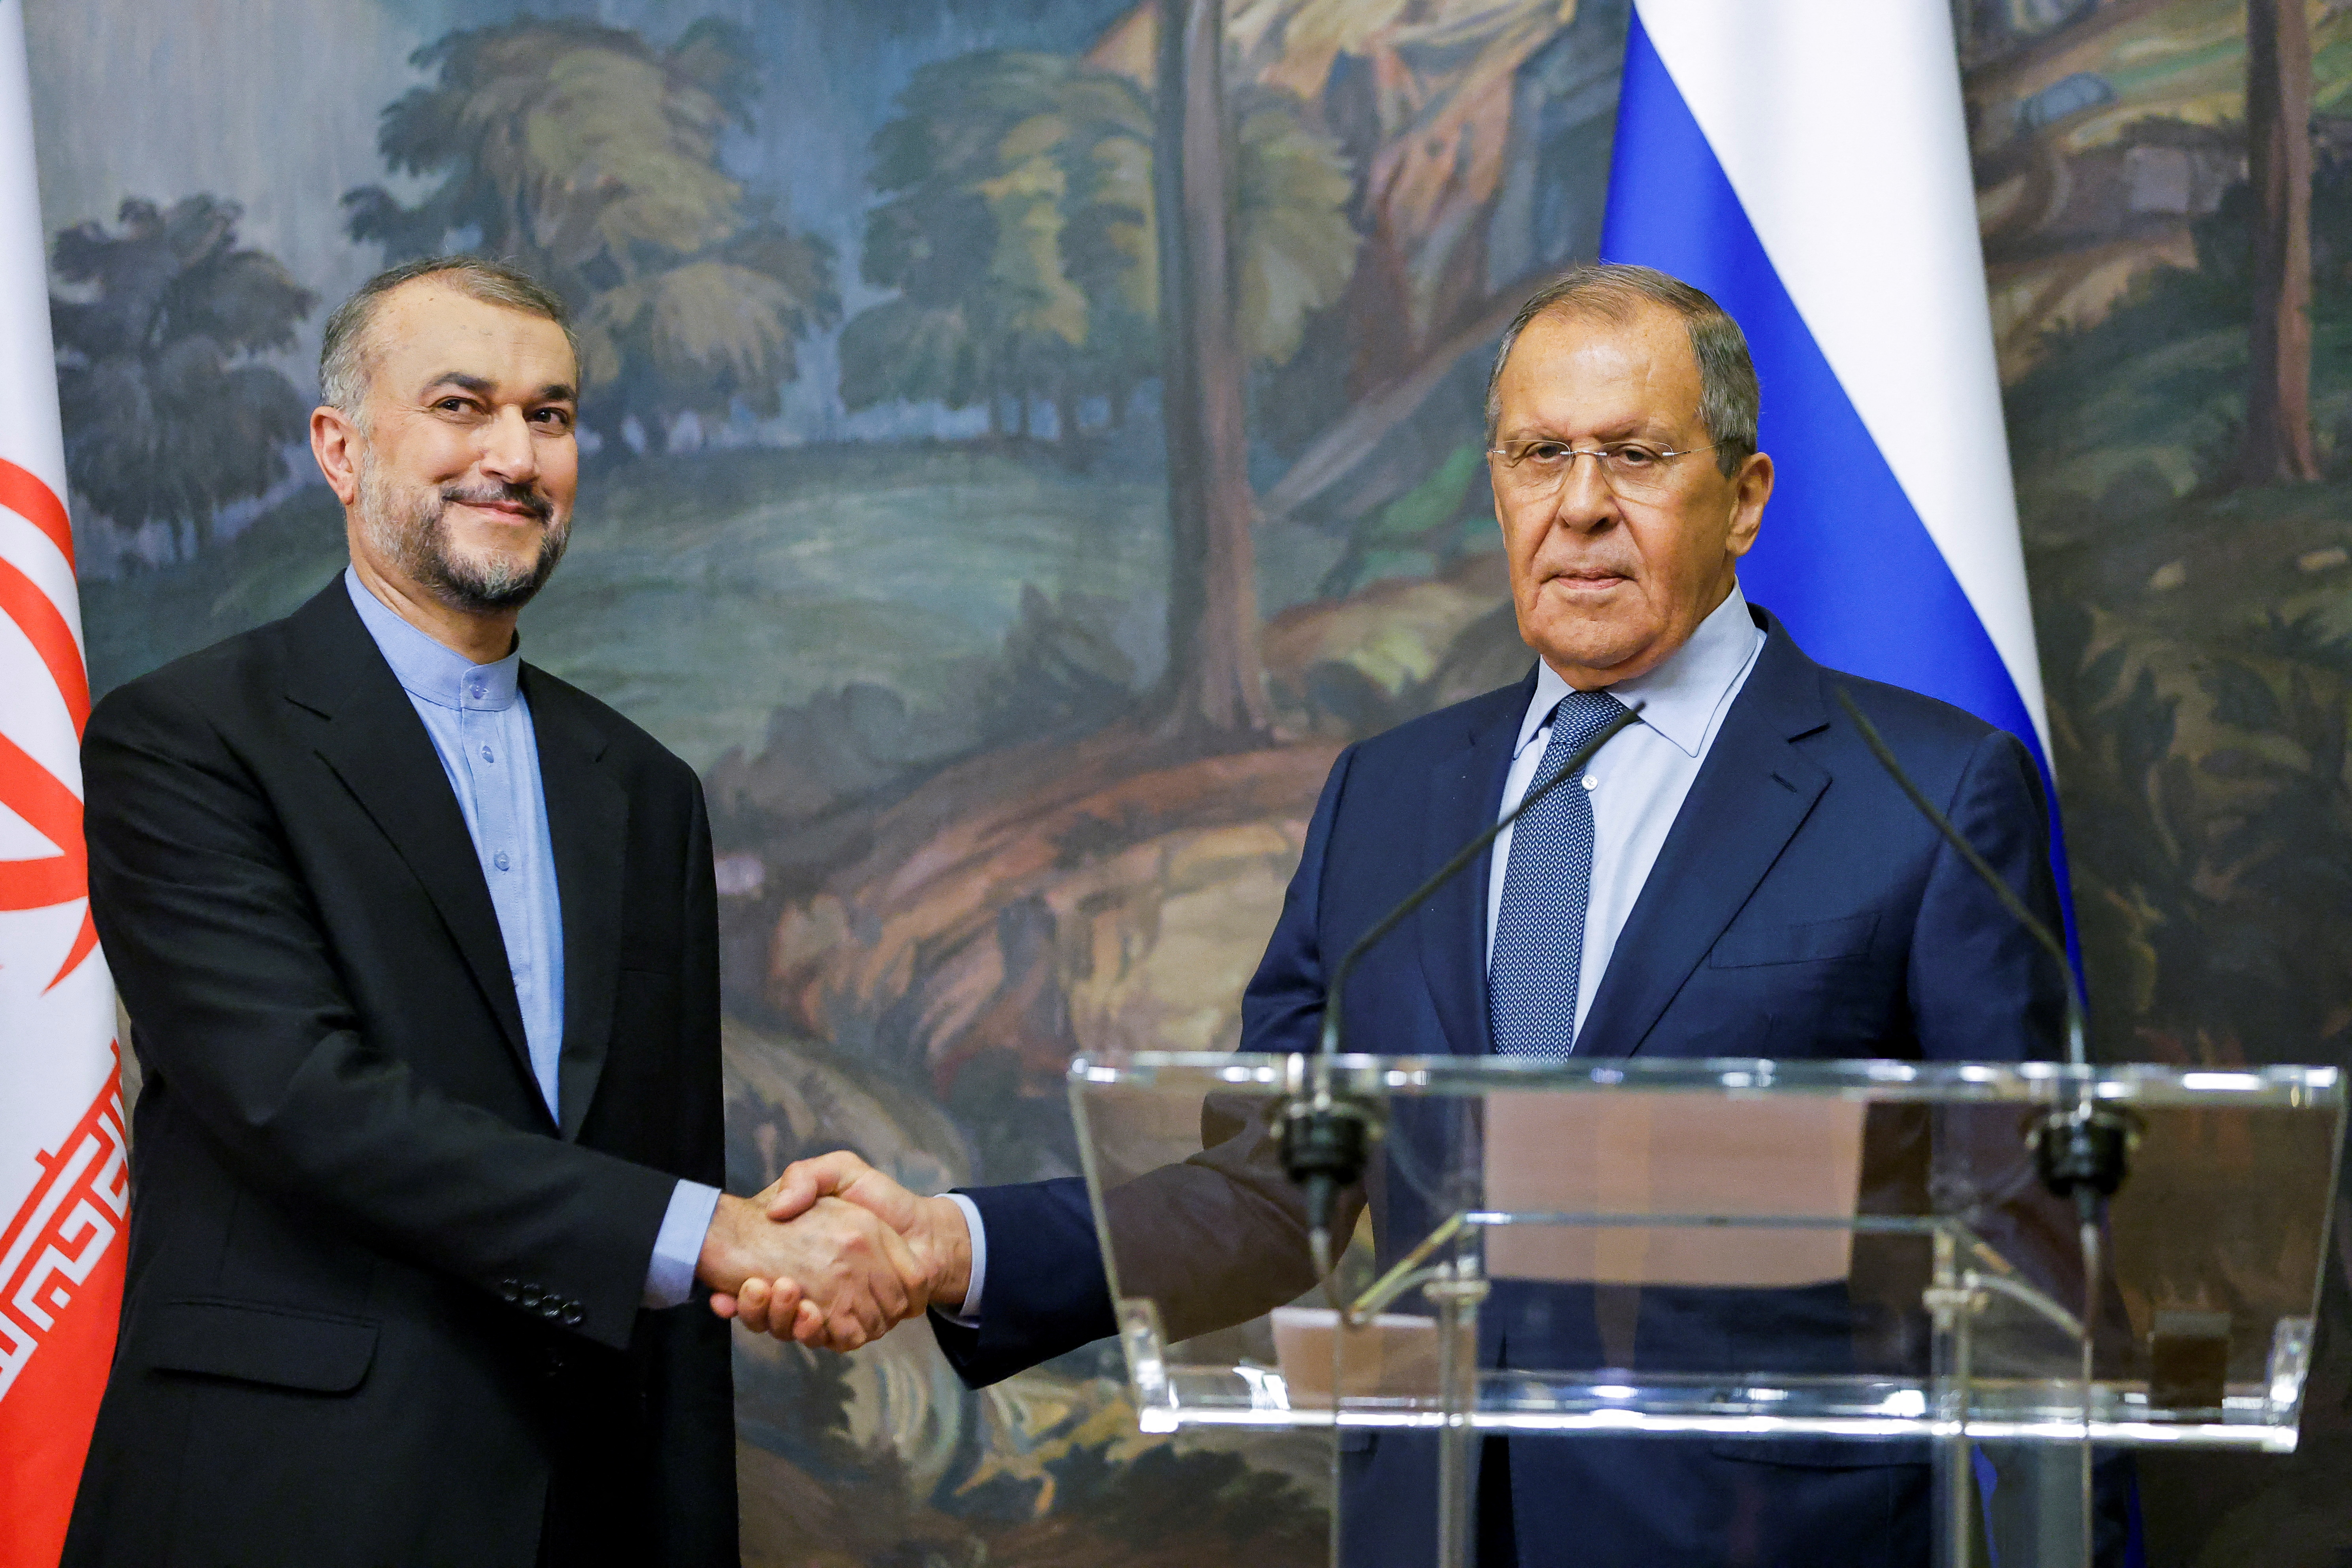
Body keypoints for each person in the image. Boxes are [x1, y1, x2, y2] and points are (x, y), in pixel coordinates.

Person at [727, 264, 2092, 1566]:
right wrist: (948, 1244)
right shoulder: (1389, 798)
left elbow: (2034, 1260)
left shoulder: (1926, 791)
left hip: (1773, 1543)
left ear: (1743, 499)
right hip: (1431, 1530)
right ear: (1496, 489)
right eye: (1539, 456)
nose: (1584, 505)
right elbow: (1272, 1192)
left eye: (1637, 454)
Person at [64, 256, 927, 1568]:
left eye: (552, 416)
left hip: (587, 1509)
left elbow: (669, 1167)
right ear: (341, 450)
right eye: (461, 406)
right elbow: (299, 1100)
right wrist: (720, 1236)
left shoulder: (645, 791)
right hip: (287, 1501)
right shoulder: (184, 741)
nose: (513, 455)